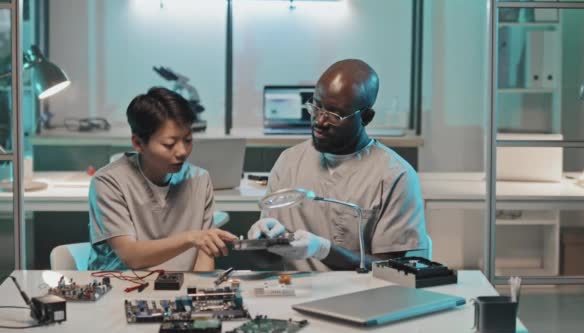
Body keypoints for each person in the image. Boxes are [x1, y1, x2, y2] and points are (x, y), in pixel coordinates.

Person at [248, 59, 428, 271]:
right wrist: (259, 245)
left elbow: (392, 268)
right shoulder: (289, 162)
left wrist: (324, 250)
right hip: (291, 293)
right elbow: (267, 263)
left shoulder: (395, 176)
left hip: (359, 298)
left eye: (335, 114)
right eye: (316, 106)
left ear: (366, 117)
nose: (320, 121)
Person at [88, 87, 236, 271]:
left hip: (179, 293)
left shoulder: (199, 179)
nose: (182, 151)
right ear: (138, 143)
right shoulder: (108, 182)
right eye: (169, 144)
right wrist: (192, 237)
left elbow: (203, 258)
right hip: (119, 290)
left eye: (188, 140)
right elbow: (131, 256)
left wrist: (201, 295)